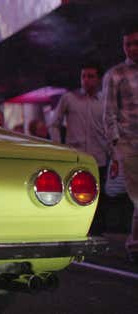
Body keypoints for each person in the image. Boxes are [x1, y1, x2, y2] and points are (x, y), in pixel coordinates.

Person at [49, 63, 109, 234]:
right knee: (73, 194)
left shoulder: (104, 101)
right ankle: (74, 228)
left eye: (91, 76)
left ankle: (96, 232)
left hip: (99, 157)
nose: (86, 80)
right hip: (76, 157)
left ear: (98, 79)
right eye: (83, 76)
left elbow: (110, 125)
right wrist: (60, 147)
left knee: (98, 197)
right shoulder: (69, 98)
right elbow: (54, 123)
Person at [102, 24, 138, 263]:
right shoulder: (115, 74)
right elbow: (108, 113)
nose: (132, 48)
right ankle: (134, 245)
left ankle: (134, 244)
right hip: (128, 143)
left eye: (136, 43)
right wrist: (116, 145)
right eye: (128, 44)